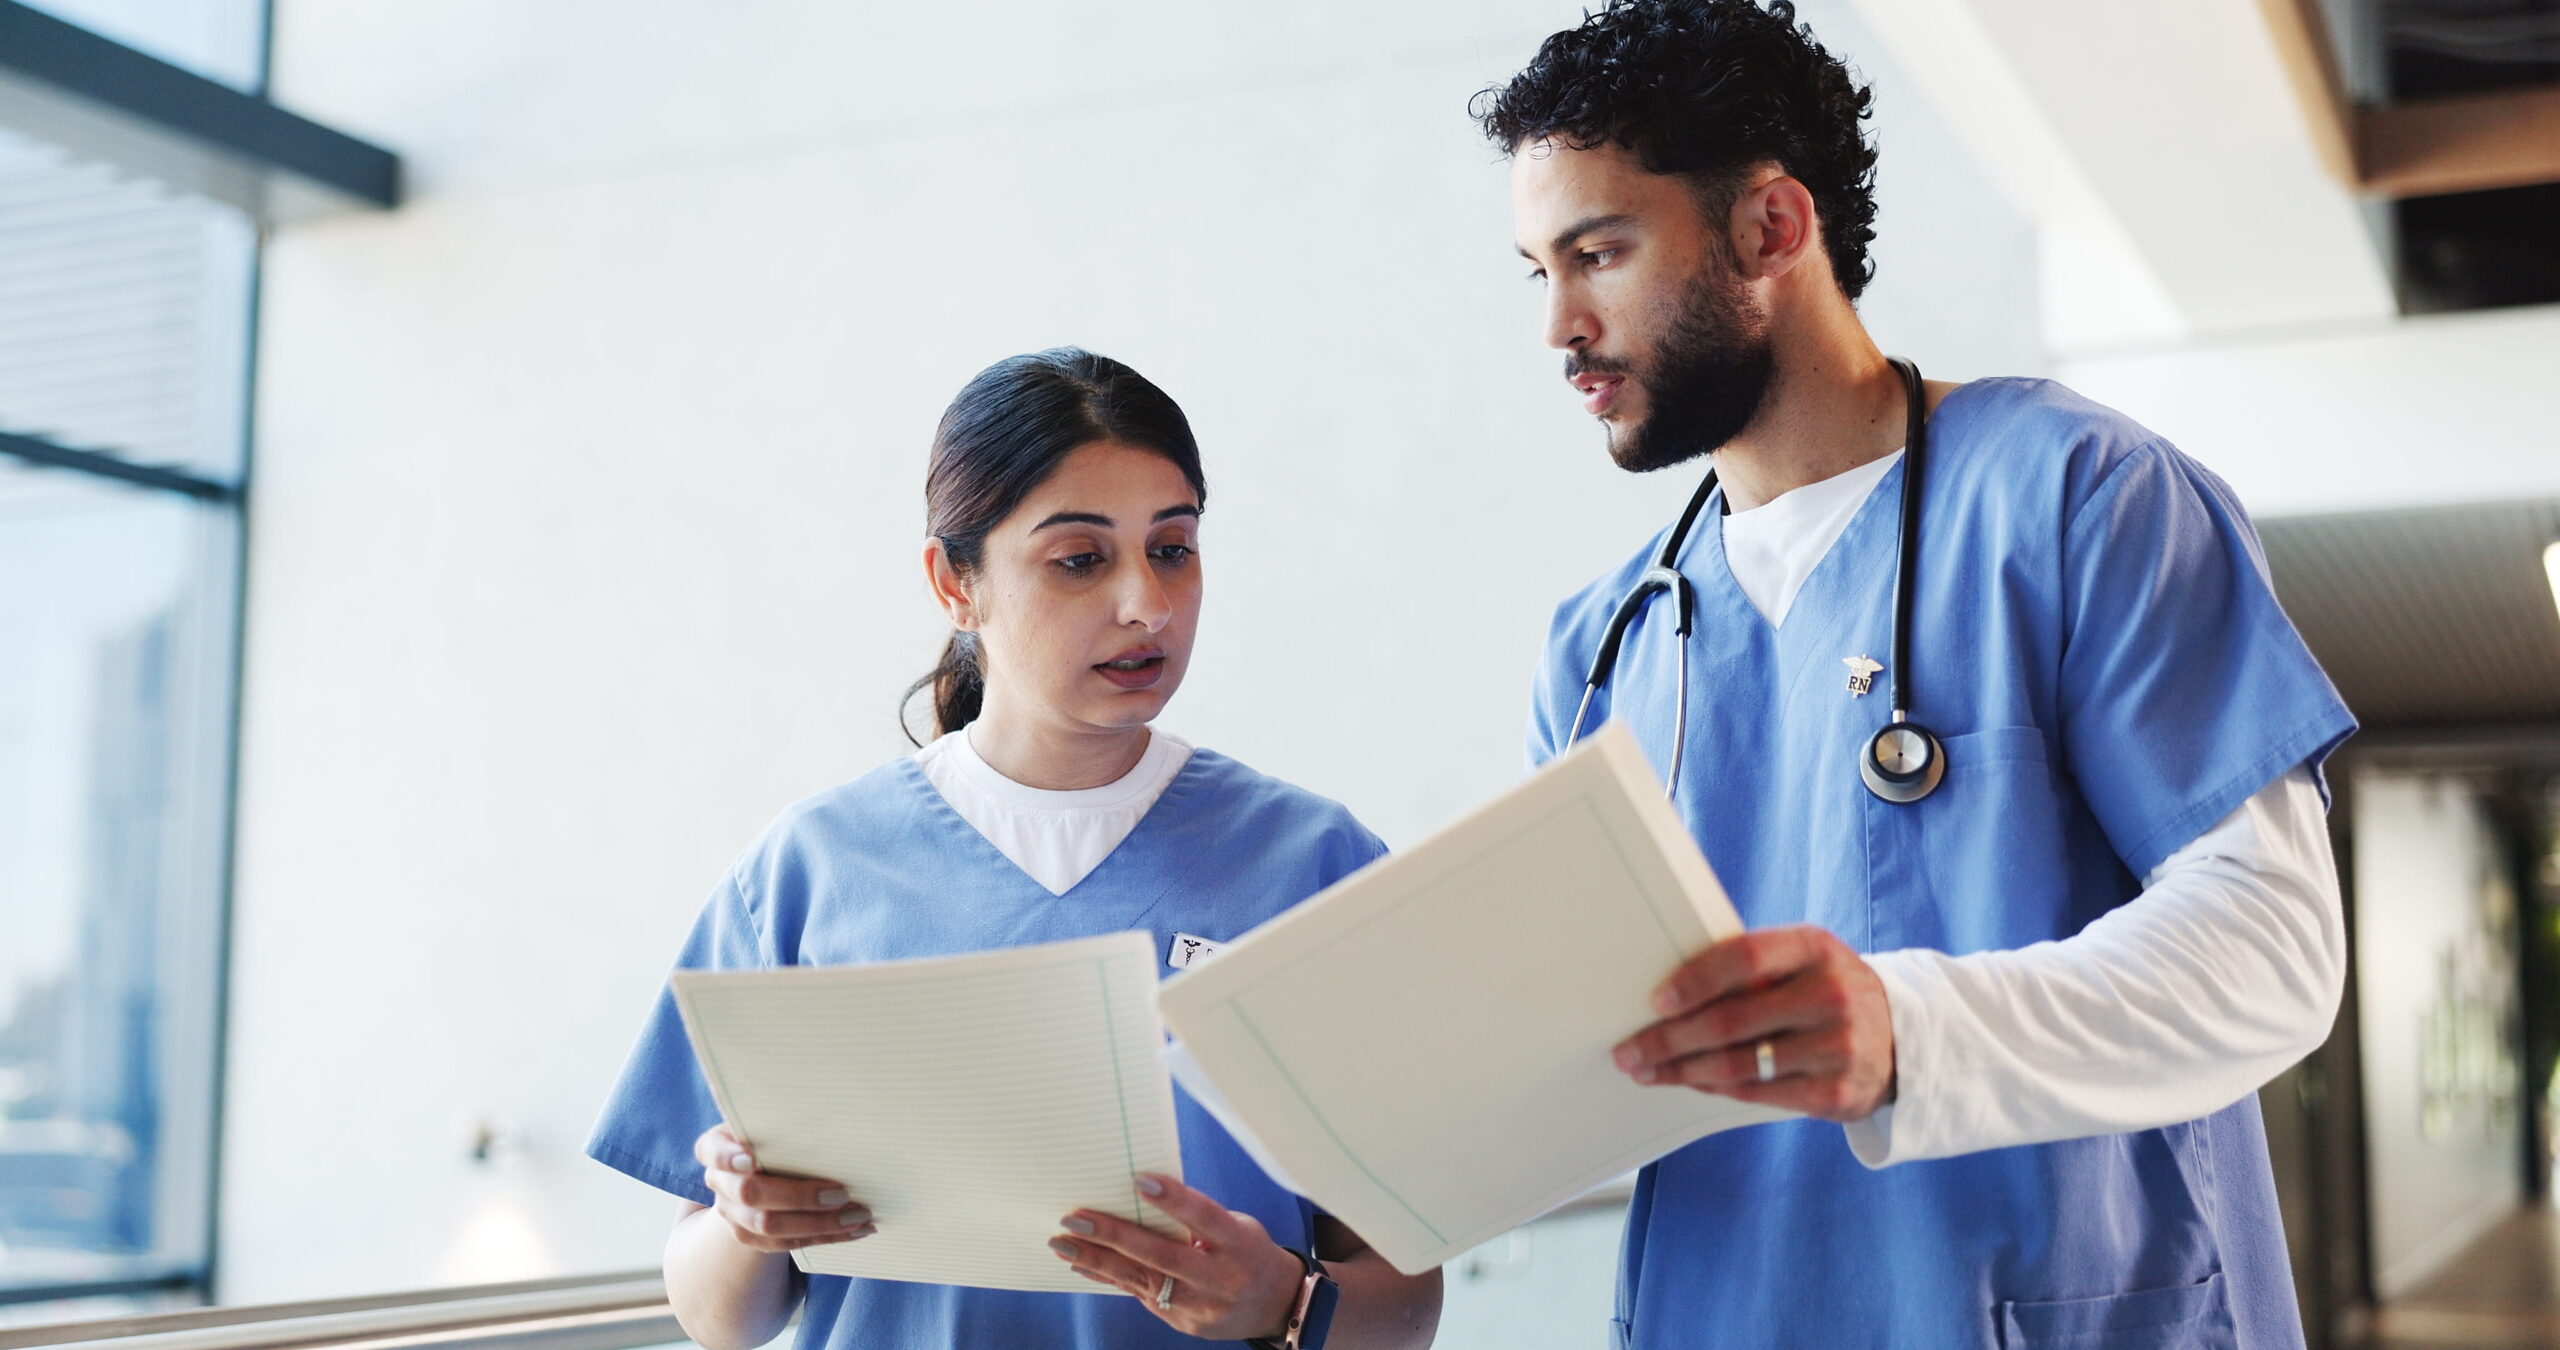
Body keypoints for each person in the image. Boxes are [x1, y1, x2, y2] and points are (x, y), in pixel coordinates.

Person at [1476, 3, 2355, 1346]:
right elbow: (1599, 1067)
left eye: (1597, 252)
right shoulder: (1603, 647)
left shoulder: (2078, 501)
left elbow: (2271, 948)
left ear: (1772, 229)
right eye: (1536, 269)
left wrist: (1911, 1028)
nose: (1559, 326)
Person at [584, 349, 1440, 1350]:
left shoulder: (1314, 866)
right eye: (1080, 559)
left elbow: (1405, 1301)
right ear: (955, 584)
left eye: (1172, 549)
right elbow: (717, 1316)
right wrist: (745, 1225)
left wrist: (1281, 1305)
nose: (1146, 606)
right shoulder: (811, 873)